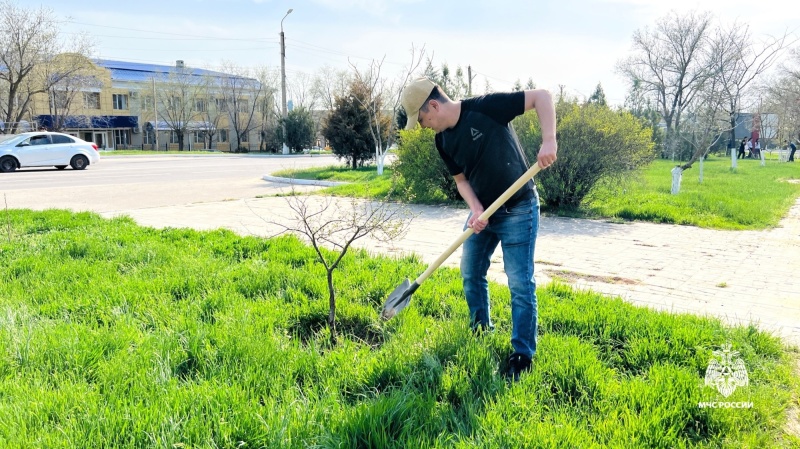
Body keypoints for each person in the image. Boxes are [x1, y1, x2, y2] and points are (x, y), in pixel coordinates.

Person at [401, 78, 557, 381]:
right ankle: (480, 330)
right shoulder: (442, 141)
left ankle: (522, 354)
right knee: (471, 272)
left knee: (520, 283)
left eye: (422, 120)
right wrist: (475, 210)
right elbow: (461, 181)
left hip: (519, 209)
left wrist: (549, 139)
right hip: (483, 213)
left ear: (433, 105)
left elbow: (542, 96)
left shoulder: (486, 108)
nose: (423, 127)